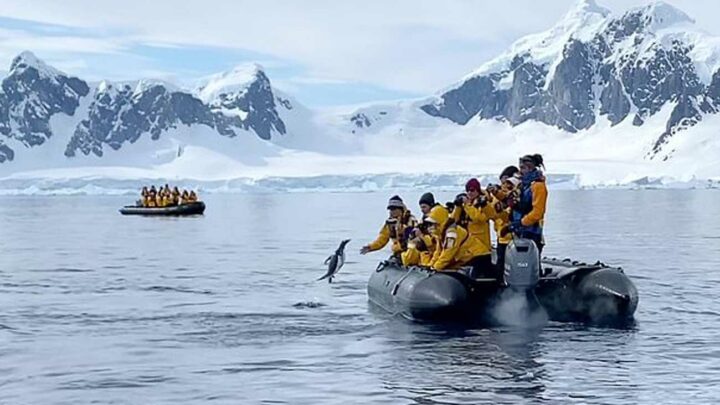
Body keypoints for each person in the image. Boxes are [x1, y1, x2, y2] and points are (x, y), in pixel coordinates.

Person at [452, 178, 498, 279]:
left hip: (482, 246)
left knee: (485, 272)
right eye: (468, 190)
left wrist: (467, 205)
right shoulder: (466, 205)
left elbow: (478, 218)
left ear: (477, 190)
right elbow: (454, 220)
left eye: (472, 190)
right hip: (469, 246)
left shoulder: (483, 203)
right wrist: (458, 206)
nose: (470, 193)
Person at [506, 154, 548, 256]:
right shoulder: (524, 185)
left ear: (530, 168)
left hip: (532, 232)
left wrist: (521, 222)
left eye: (522, 168)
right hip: (521, 231)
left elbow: (538, 212)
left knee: (530, 261)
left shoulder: (538, 186)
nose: (520, 171)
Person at [361, 195, 417, 259]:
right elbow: (382, 238)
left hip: (410, 253)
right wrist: (371, 247)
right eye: (390, 209)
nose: (391, 212)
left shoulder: (411, 220)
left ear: (401, 209)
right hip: (398, 253)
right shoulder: (390, 223)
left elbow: (413, 239)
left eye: (394, 209)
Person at [488, 166, 520, 273]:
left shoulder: (514, 194)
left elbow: (507, 215)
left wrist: (500, 210)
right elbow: (493, 214)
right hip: (501, 234)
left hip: (511, 235)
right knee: (501, 262)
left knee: (506, 262)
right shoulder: (497, 194)